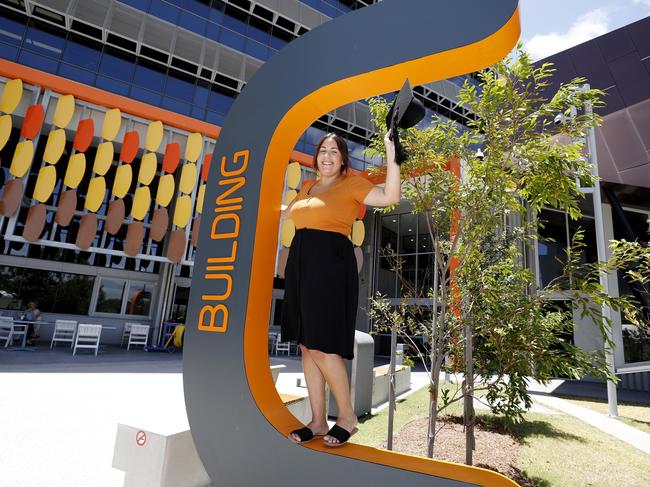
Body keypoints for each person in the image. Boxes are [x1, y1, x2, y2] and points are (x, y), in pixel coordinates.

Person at [280, 131, 399, 447]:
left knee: (321, 345)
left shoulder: (353, 183)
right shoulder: (307, 186)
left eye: (334, 151)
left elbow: (390, 197)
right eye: (322, 151)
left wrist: (391, 153)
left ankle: (347, 416)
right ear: (316, 157)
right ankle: (318, 421)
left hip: (331, 265)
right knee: (306, 345)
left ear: (343, 158)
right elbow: (284, 213)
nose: (327, 156)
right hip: (301, 264)